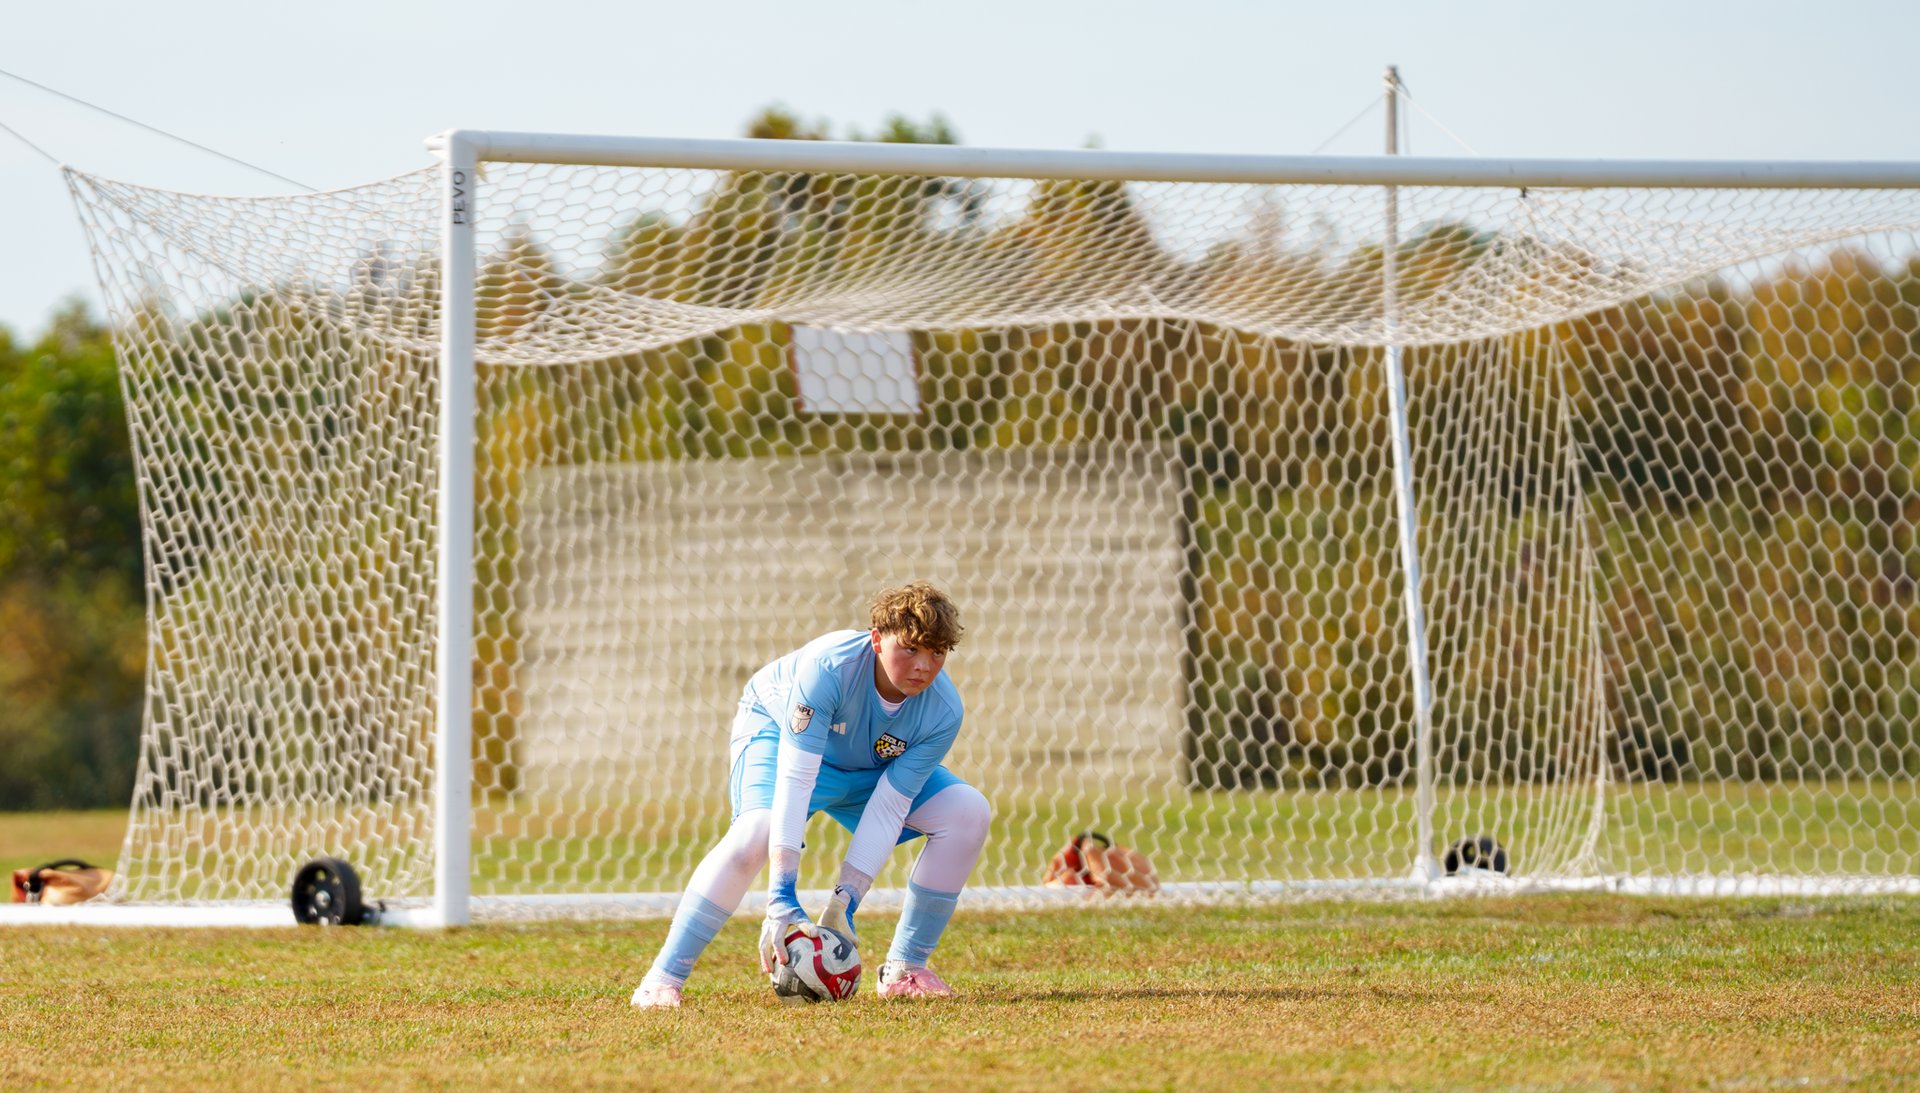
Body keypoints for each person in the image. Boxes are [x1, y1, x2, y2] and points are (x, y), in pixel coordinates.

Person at [631, 581, 990, 1007]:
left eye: (937, 653)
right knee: (756, 833)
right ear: (876, 639)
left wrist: (846, 902)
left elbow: (889, 805)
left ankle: (905, 970)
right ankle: (662, 979)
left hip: (868, 769)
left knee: (968, 812)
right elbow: (797, 779)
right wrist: (780, 897)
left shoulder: (943, 710)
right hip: (779, 735)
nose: (924, 666)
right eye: (910, 649)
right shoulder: (830, 667)